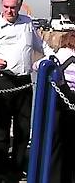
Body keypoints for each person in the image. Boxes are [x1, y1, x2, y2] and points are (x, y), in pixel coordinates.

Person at [0, 0, 54, 181]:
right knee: (2, 129)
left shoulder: (28, 23)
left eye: (13, 7)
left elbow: (40, 45)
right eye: (5, 7)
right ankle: (0, 170)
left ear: (20, 6)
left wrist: (55, 58)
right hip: (3, 81)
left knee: (22, 128)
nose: (9, 11)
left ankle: (18, 167)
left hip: (24, 82)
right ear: (1, 6)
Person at [33, 31, 75, 183]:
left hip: (57, 106)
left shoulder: (57, 56)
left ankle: (52, 177)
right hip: (70, 105)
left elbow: (36, 65)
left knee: (56, 145)